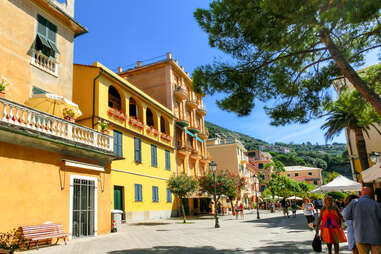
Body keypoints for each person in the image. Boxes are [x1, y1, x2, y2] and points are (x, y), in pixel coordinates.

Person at [343, 187, 381, 254]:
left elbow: (346, 216)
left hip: (360, 235)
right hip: (376, 236)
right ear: (371, 194)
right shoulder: (377, 205)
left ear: (361, 194)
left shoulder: (354, 203)